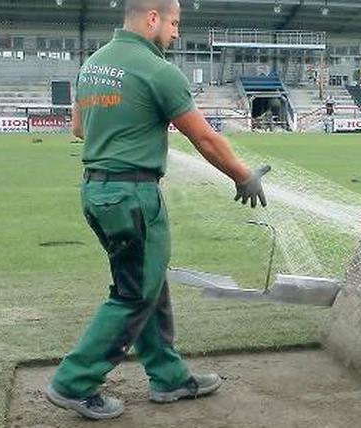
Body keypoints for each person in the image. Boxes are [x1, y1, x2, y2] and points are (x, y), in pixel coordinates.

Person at [44, 0, 270, 420]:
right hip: (133, 197)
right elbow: (204, 138)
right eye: (174, 23)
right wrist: (243, 176)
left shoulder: (93, 64)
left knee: (149, 281)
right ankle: (73, 382)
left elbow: (78, 128)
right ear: (153, 18)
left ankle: (168, 376)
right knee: (133, 294)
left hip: (97, 192)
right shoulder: (158, 70)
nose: (176, 32)